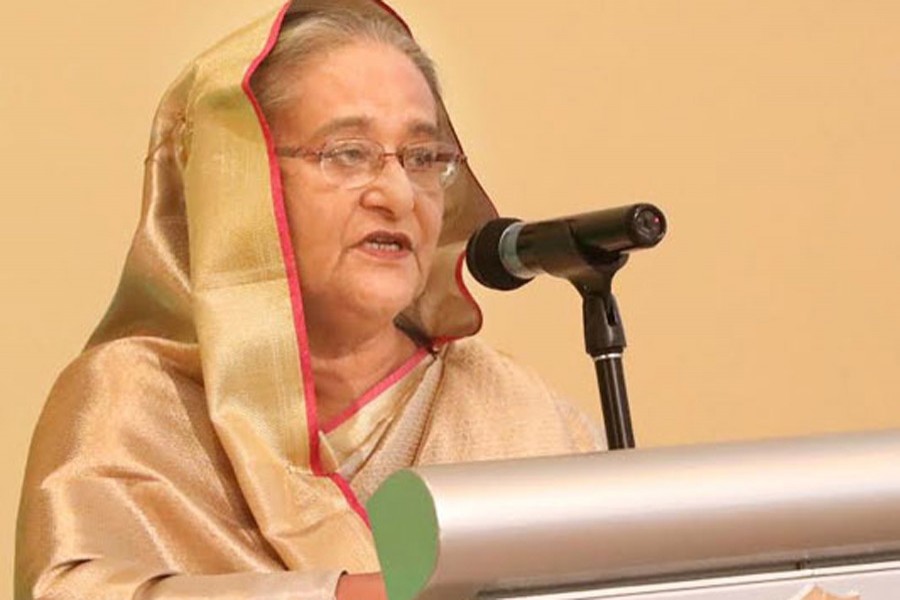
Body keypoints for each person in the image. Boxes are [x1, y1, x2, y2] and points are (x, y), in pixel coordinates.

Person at [16, 1, 603, 599]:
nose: (399, 194)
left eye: (423, 158)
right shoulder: (133, 402)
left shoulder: (515, 410)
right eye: (348, 153)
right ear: (240, 180)